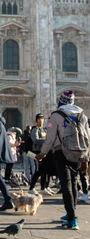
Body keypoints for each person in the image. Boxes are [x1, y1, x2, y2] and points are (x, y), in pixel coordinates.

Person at [37, 90, 90, 230]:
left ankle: (72, 219)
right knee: (73, 182)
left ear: (61, 101)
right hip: (78, 152)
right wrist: (86, 156)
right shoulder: (82, 114)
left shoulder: (56, 115)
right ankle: (70, 213)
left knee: (66, 185)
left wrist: (42, 153)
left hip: (62, 152)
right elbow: (87, 137)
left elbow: (50, 138)